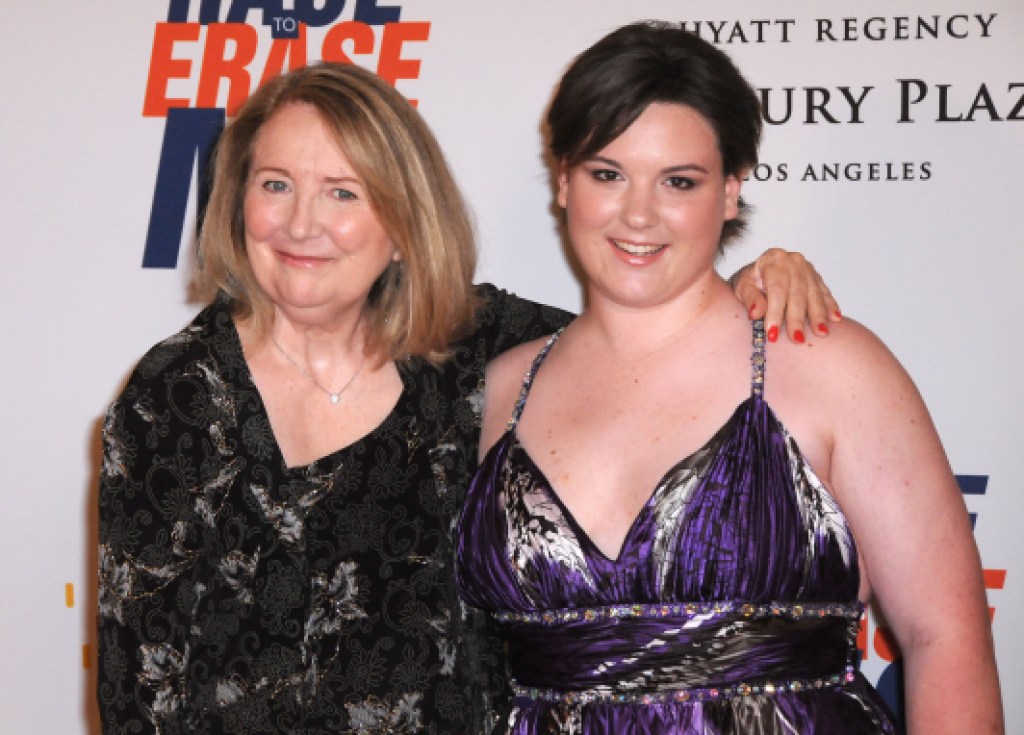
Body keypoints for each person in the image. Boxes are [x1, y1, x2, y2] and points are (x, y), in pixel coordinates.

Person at [97, 60, 840, 734]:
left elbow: (649, 334)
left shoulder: (483, 347)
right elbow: (138, 688)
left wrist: (763, 275)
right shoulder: (175, 395)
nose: (300, 224)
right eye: (276, 184)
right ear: (238, 201)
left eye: (343, 193)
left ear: (400, 221)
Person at [456, 22, 1003, 735]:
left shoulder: (830, 366)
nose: (639, 213)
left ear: (730, 191)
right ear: (564, 180)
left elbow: (944, 635)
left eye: (678, 181)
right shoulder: (500, 389)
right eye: (607, 173)